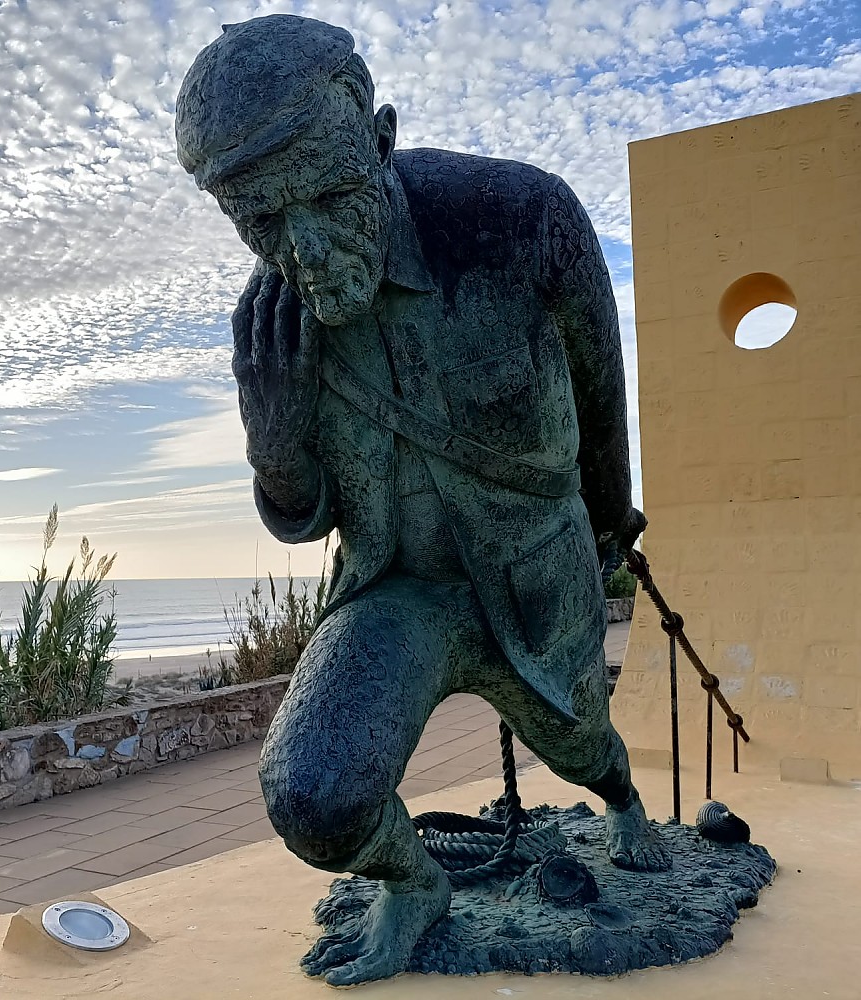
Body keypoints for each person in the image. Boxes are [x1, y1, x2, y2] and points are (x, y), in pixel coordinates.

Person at [176, 14, 665, 986]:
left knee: (582, 746)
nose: (305, 247)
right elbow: (306, 513)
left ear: (379, 135)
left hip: (534, 567)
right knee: (312, 795)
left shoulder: (520, 219)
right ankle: (413, 884)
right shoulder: (274, 314)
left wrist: (611, 525)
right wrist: (272, 440)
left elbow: (600, 400)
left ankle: (623, 802)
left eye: (329, 196)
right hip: (397, 589)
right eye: (263, 222)